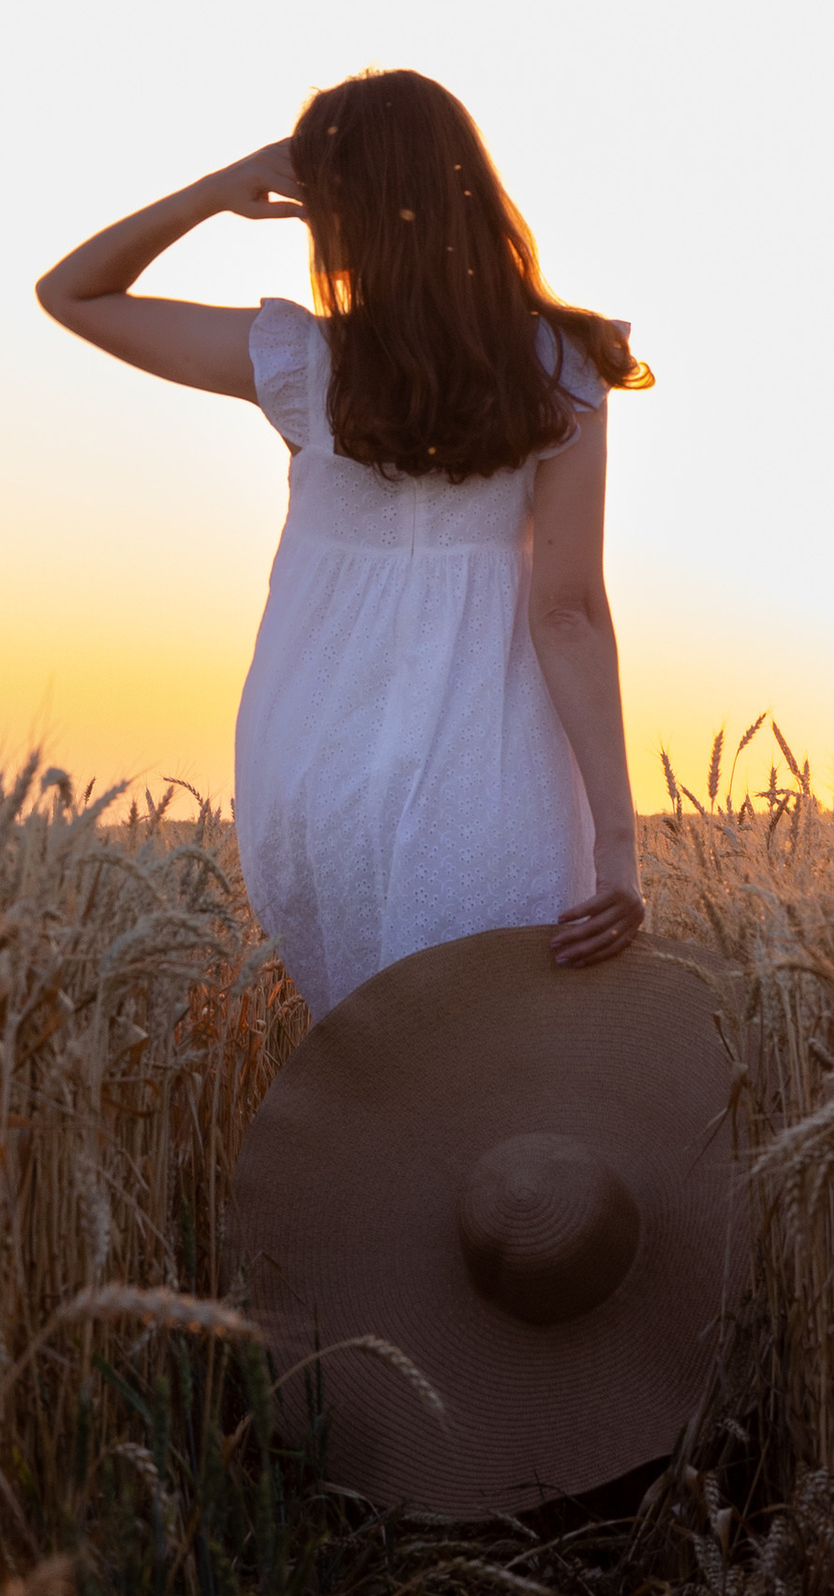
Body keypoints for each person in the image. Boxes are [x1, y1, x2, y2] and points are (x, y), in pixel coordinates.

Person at [35, 67, 651, 1020]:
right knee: (499, 1062)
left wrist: (215, 190)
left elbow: (73, 294)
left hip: (314, 760)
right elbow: (568, 611)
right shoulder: (560, 364)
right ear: (469, 191)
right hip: (489, 764)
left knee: (372, 1071)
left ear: (334, 210)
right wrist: (617, 841)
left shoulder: (297, 362)